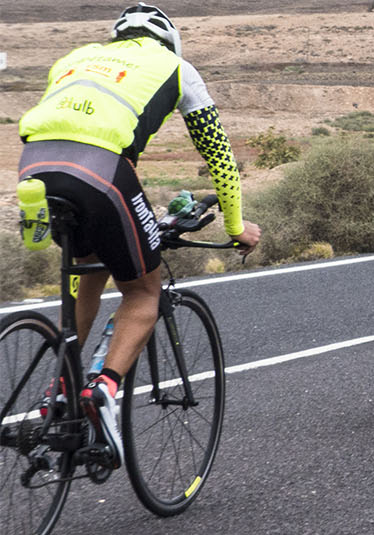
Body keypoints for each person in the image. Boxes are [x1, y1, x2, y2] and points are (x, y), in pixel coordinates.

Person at [15, 2, 262, 467]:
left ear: (117, 37)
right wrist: (235, 227)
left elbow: (79, 130)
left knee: (88, 269)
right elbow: (221, 159)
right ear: (171, 41)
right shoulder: (178, 68)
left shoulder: (76, 57)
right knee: (144, 291)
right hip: (102, 171)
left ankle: (59, 391)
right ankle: (103, 390)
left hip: (36, 168)